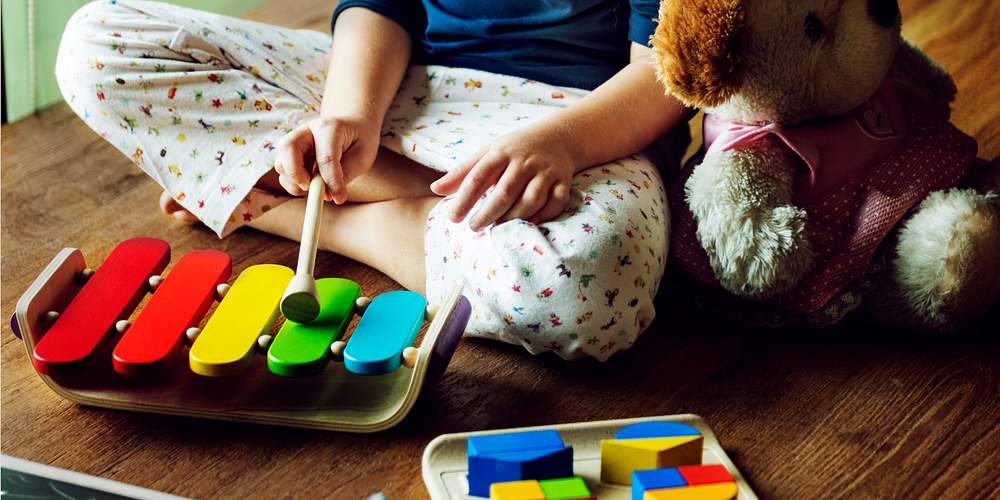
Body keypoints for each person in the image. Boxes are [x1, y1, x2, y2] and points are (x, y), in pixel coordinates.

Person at [55, 0, 690, 360]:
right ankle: (370, 177)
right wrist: (351, 112)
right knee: (97, 42)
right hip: (407, 84)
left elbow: (668, 71)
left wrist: (561, 142)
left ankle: (290, 206)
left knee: (584, 280)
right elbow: (380, 5)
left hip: (579, 122)